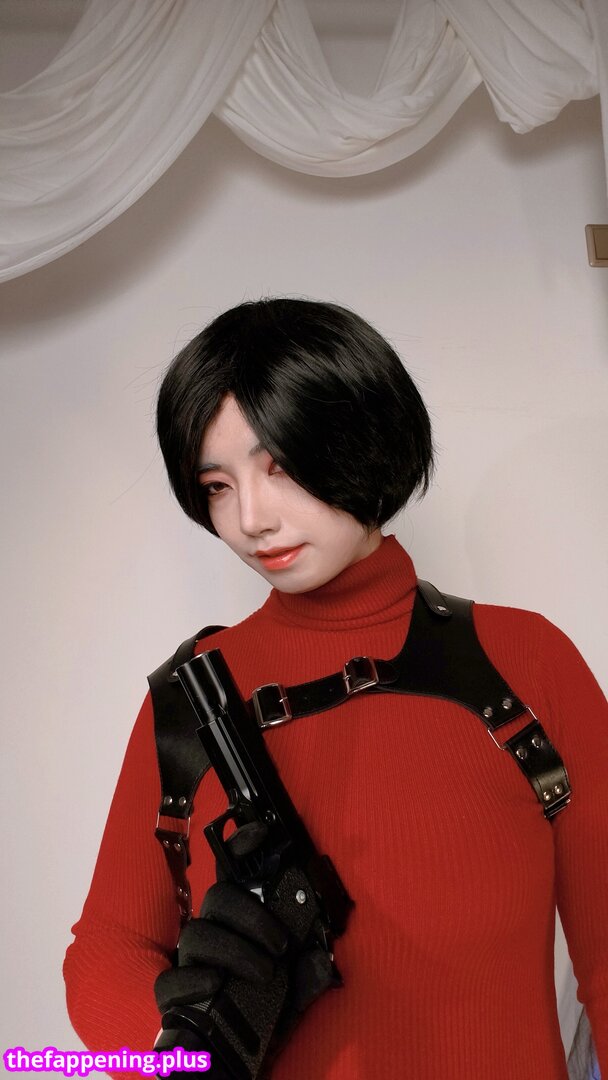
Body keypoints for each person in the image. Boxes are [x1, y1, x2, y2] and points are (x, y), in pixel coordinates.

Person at [64, 298, 608, 1080]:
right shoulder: (190, 698)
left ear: (364, 439)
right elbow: (107, 945)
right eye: (216, 485)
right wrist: (177, 1053)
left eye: (279, 467)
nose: (251, 519)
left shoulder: (526, 661)